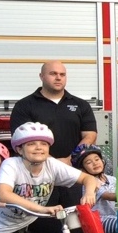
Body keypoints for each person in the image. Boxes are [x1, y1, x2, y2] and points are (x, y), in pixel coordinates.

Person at [9, 60, 97, 207]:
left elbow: (90, 135)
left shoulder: (81, 105)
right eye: (53, 74)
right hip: (38, 177)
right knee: (42, 223)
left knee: (75, 221)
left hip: (73, 173)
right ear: (41, 76)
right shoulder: (24, 106)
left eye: (62, 74)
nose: (58, 77)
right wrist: (53, 163)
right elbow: (21, 141)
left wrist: (70, 159)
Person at [71, 144, 117, 233]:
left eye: (97, 159)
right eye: (88, 162)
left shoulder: (112, 179)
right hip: (99, 220)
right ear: (82, 169)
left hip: (113, 216)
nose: (95, 163)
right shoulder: (90, 184)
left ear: (102, 161)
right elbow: (108, 196)